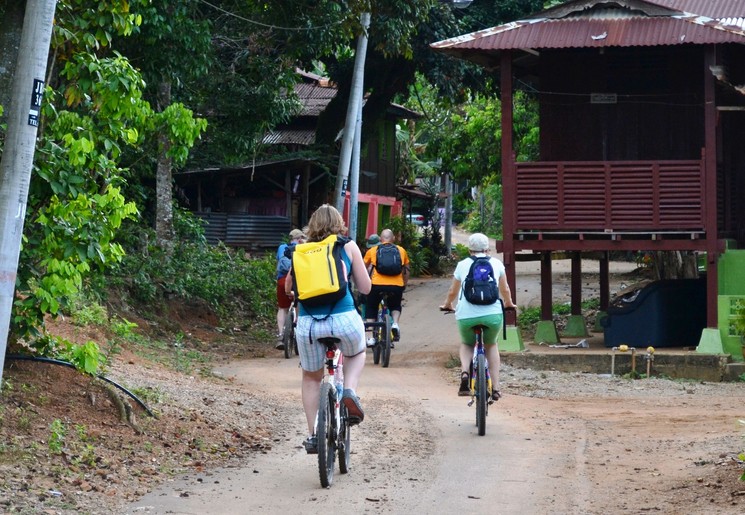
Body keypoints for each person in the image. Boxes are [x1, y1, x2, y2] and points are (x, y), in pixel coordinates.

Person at [284, 204, 371, 454]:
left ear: (312, 225)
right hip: (343, 319)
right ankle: (350, 391)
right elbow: (365, 288)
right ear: (338, 223)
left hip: (309, 325)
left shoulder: (300, 249)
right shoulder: (346, 245)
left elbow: (290, 288)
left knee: (311, 378)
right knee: (357, 353)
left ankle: (313, 435)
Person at [439, 233, 515, 400]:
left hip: (467, 315)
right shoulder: (496, 263)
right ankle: (496, 388)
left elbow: (453, 291)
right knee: (491, 345)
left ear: (469, 250)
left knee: (467, 343)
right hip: (492, 314)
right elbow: (505, 290)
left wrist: (447, 305)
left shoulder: (462, 264)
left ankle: (465, 372)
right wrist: (509, 303)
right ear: (488, 249)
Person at [363, 228, 409, 346]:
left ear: (380, 239)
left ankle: (370, 338)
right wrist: (404, 284)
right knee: (395, 305)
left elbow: (363, 269)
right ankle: (395, 324)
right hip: (396, 285)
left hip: (377, 285)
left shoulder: (372, 251)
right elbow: (406, 270)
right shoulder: (401, 250)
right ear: (393, 238)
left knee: (371, 307)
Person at [275, 228, 306, 350]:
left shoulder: (282, 247)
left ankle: (281, 335)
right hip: (298, 280)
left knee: (282, 308)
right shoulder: (303, 247)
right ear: (299, 239)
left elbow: (278, 262)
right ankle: (298, 333)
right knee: (299, 304)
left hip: (282, 280)